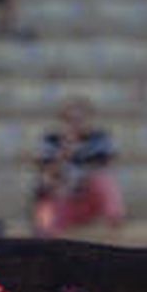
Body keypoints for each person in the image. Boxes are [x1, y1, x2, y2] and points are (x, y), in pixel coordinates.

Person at [32, 96, 125, 236]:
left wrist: (77, 178)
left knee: (103, 179)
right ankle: (45, 231)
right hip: (63, 201)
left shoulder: (99, 138)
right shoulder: (51, 140)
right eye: (70, 120)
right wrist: (63, 155)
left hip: (88, 199)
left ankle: (114, 219)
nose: (75, 124)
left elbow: (105, 167)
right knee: (47, 189)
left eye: (79, 120)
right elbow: (46, 175)